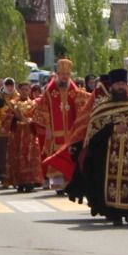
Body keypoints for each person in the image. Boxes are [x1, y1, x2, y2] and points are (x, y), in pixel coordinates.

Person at [69, 68, 128, 224]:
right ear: (112, 87)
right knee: (107, 181)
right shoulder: (102, 109)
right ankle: (114, 212)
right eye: (118, 84)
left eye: (123, 84)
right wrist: (113, 129)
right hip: (107, 155)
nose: (121, 87)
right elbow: (93, 136)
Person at [32, 59, 89, 188]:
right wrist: (47, 128)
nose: (65, 78)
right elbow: (43, 110)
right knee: (56, 155)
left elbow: (82, 106)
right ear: (58, 74)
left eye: (67, 75)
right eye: (62, 75)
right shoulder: (50, 90)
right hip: (55, 131)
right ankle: (58, 184)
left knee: (70, 155)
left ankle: (70, 181)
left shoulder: (74, 89)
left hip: (71, 131)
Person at [2, 81, 43, 193]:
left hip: (30, 134)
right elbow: (6, 119)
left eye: (27, 89)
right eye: (23, 89)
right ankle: (19, 181)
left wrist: (32, 120)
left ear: (29, 90)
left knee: (29, 157)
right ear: (19, 90)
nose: (25, 92)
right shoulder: (13, 103)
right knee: (17, 156)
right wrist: (14, 118)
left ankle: (30, 181)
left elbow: (39, 118)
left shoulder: (34, 104)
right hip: (17, 134)